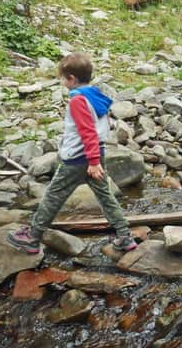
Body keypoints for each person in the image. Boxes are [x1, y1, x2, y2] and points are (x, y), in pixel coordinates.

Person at [8, 52, 137, 254]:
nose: (60, 81)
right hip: (96, 153)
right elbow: (103, 123)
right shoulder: (94, 94)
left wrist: (93, 162)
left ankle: (32, 238)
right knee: (105, 196)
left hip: (79, 158)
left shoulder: (78, 101)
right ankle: (125, 237)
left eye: (62, 78)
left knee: (53, 196)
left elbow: (88, 132)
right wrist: (96, 159)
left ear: (71, 79)